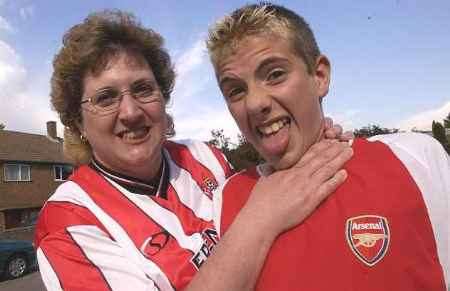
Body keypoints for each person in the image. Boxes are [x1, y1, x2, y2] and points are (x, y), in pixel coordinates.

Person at [34, 10, 353, 291]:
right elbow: (265, 215)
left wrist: (310, 147)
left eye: (143, 89)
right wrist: (259, 220)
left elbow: (284, 206)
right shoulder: (69, 220)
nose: (130, 112)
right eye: (106, 98)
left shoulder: (203, 157)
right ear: (77, 121)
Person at [206, 2, 450, 291]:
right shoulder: (224, 201)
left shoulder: (414, 157)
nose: (255, 102)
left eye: (274, 74)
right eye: (236, 90)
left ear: (319, 76)